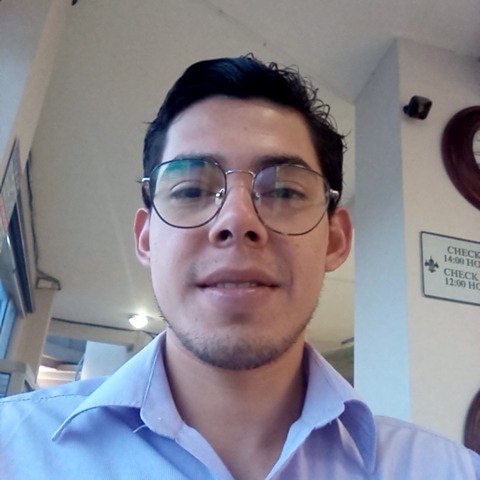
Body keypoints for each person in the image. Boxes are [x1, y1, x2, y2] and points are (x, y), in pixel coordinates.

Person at [0, 55, 479, 480]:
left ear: (335, 240)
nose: (237, 220)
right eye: (191, 190)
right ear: (146, 237)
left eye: (285, 190)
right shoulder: (12, 450)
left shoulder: (448, 471)